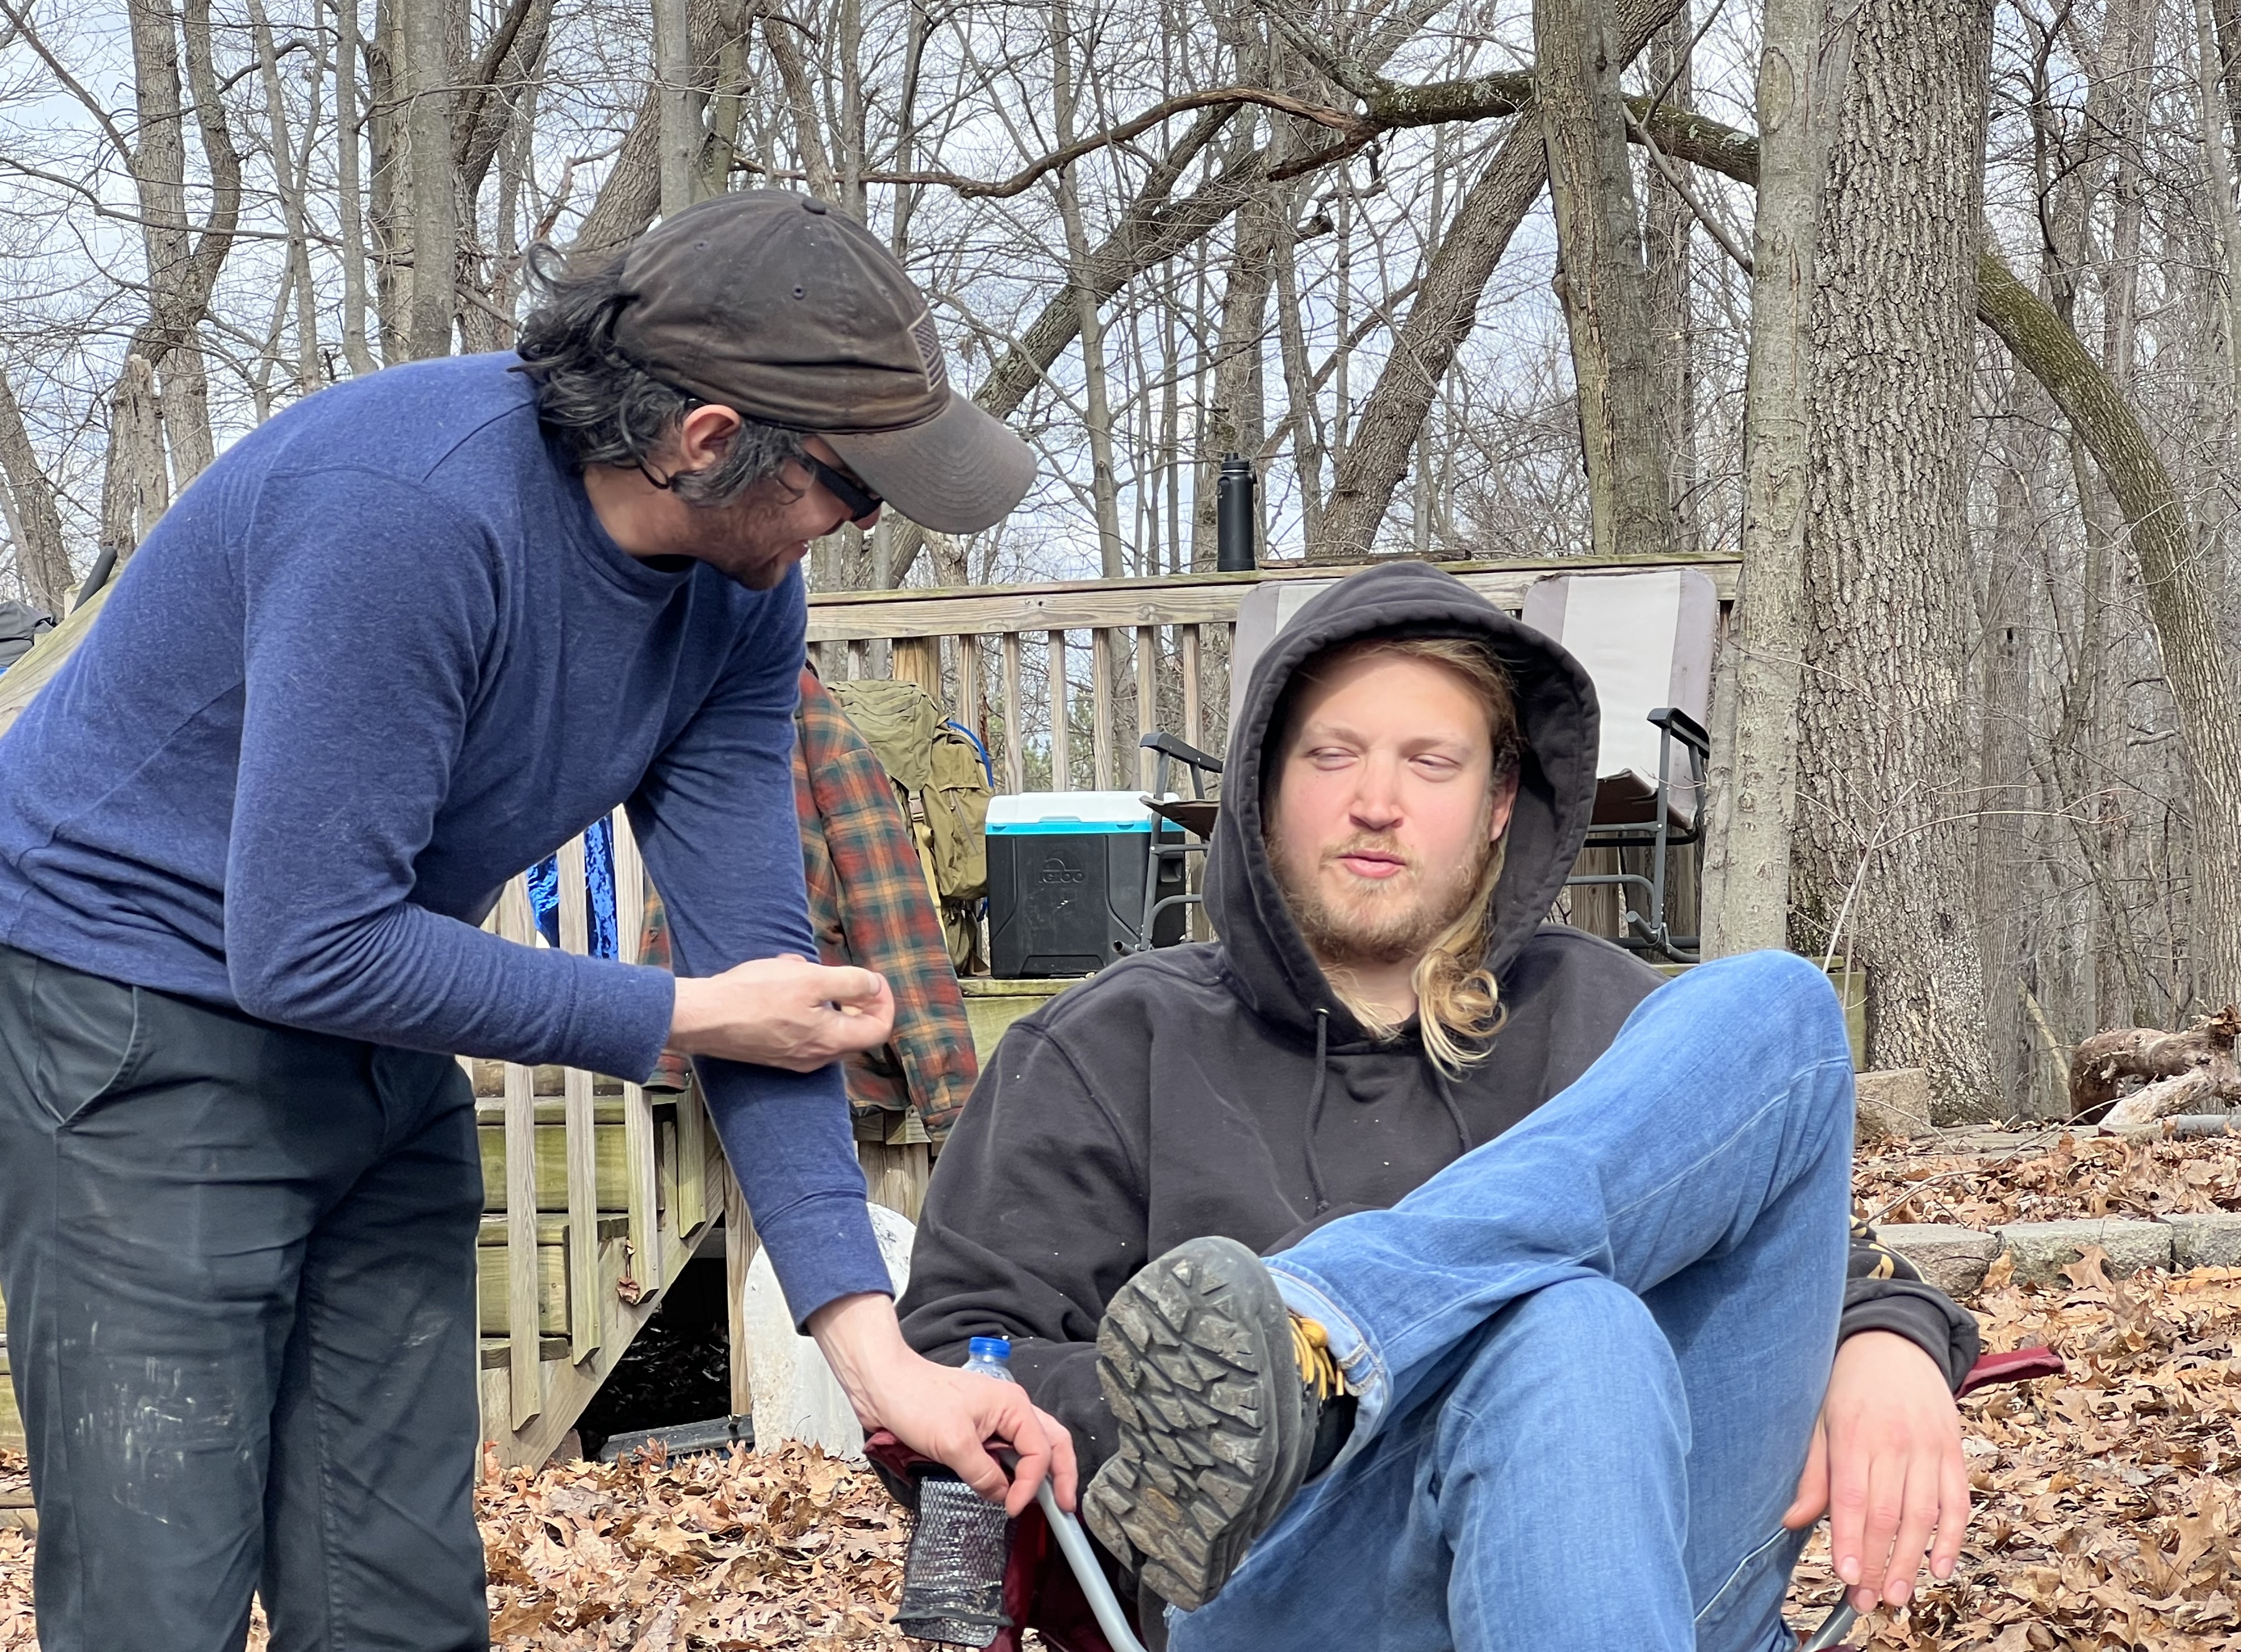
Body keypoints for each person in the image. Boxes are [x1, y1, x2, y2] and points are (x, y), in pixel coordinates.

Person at [0, 190, 1072, 1652]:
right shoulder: (410, 513)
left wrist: (879, 1359)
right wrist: (680, 1014)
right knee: (159, 1590)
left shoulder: (742, 595)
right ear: (707, 439)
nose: (862, 526)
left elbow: (765, 985)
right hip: (128, 1002)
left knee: (399, 1595)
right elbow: (305, 940)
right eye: (853, 488)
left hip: (373, 1019)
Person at [900, 563, 1979, 1652]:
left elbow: (1815, 1258)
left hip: (1649, 1566)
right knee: (1571, 1326)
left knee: (1782, 1005)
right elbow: (954, 1356)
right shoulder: (1111, 1044)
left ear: (1500, 802)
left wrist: (1890, 1341)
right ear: (1264, 782)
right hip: (1302, 1594)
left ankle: (1323, 1331)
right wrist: (1173, 1418)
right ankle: (1314, 1366)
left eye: (1431, 762)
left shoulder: (1604, 1015)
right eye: (1333, 755)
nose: (1377, 802)